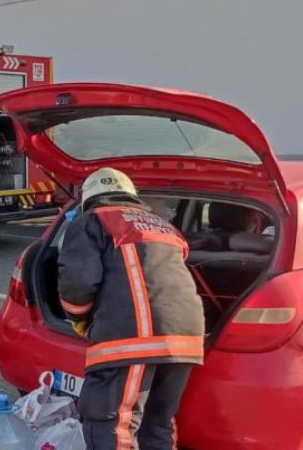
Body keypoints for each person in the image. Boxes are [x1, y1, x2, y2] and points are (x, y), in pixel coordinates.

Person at [58, 168, 205, 450]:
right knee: (157, 424)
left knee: (111, 422)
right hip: (187, 337)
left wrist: (79, 318)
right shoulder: (164, 226)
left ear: (90, 200)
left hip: (134, 338)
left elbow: (78, 282)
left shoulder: (92, 220)